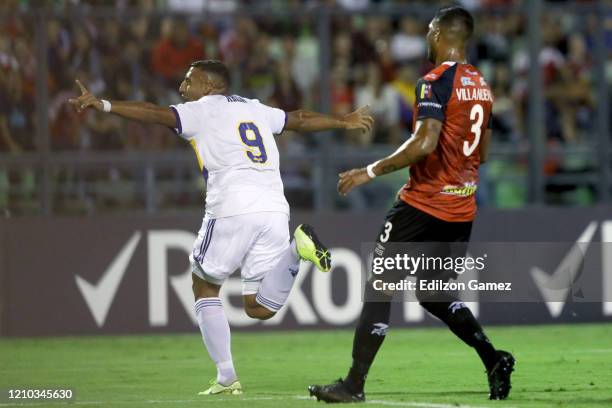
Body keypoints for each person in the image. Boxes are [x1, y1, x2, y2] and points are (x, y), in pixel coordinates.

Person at [68, 59, 373, 396]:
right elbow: (298, 119)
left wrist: (104, 104)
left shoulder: (200, 110)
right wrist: (341, 121)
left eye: (189, 81)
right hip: (273, 208)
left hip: (231, 207)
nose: (183, 88)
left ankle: (226, 377)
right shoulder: (255, 109)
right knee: (259, 307)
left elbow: (153, 113)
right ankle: (296, 250)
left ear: (210, 87)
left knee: (204, 286)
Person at [308, 6, 514, 403]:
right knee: (434, 293)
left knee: (380, 289)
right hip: (462, 208)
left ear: (438, 33)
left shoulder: (434, 81)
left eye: (429, 30)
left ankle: (353, 385)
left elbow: (424, 142)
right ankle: (493, 358)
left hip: (422, 206)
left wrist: (368, 171)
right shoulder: (482, 85)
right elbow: (482, 152)